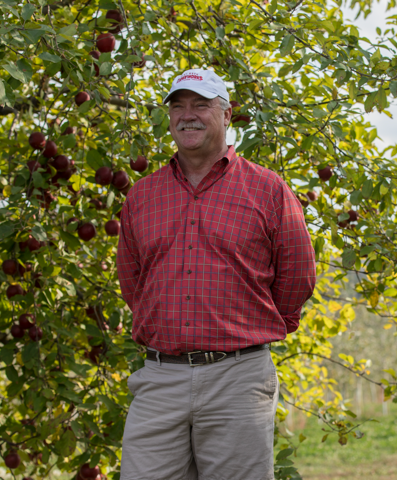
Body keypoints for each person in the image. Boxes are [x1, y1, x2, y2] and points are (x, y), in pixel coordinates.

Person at [116, 68, 317, 480]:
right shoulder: (142, 196)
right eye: (178, 106)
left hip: (237, 377)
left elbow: (298, 274)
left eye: (201, 105)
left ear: (227, 116)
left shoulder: (267, 189)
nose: (187, 115)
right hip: (160, 377)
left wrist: (254, 328)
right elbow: (132, 280)